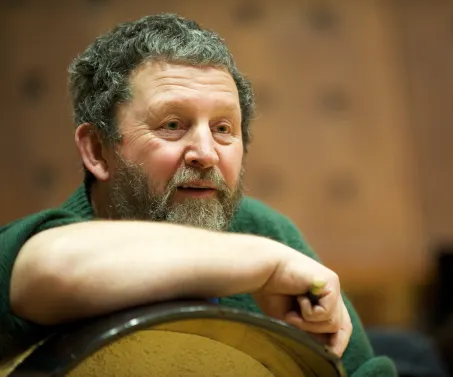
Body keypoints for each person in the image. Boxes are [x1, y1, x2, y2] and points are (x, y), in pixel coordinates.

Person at [0, 14, 397, 377]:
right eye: (172, 125)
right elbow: (51, 269)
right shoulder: (44, 245)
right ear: (98, 150)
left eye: (224, 128)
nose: (206, 153)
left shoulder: (265, 229)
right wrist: (266, 264)